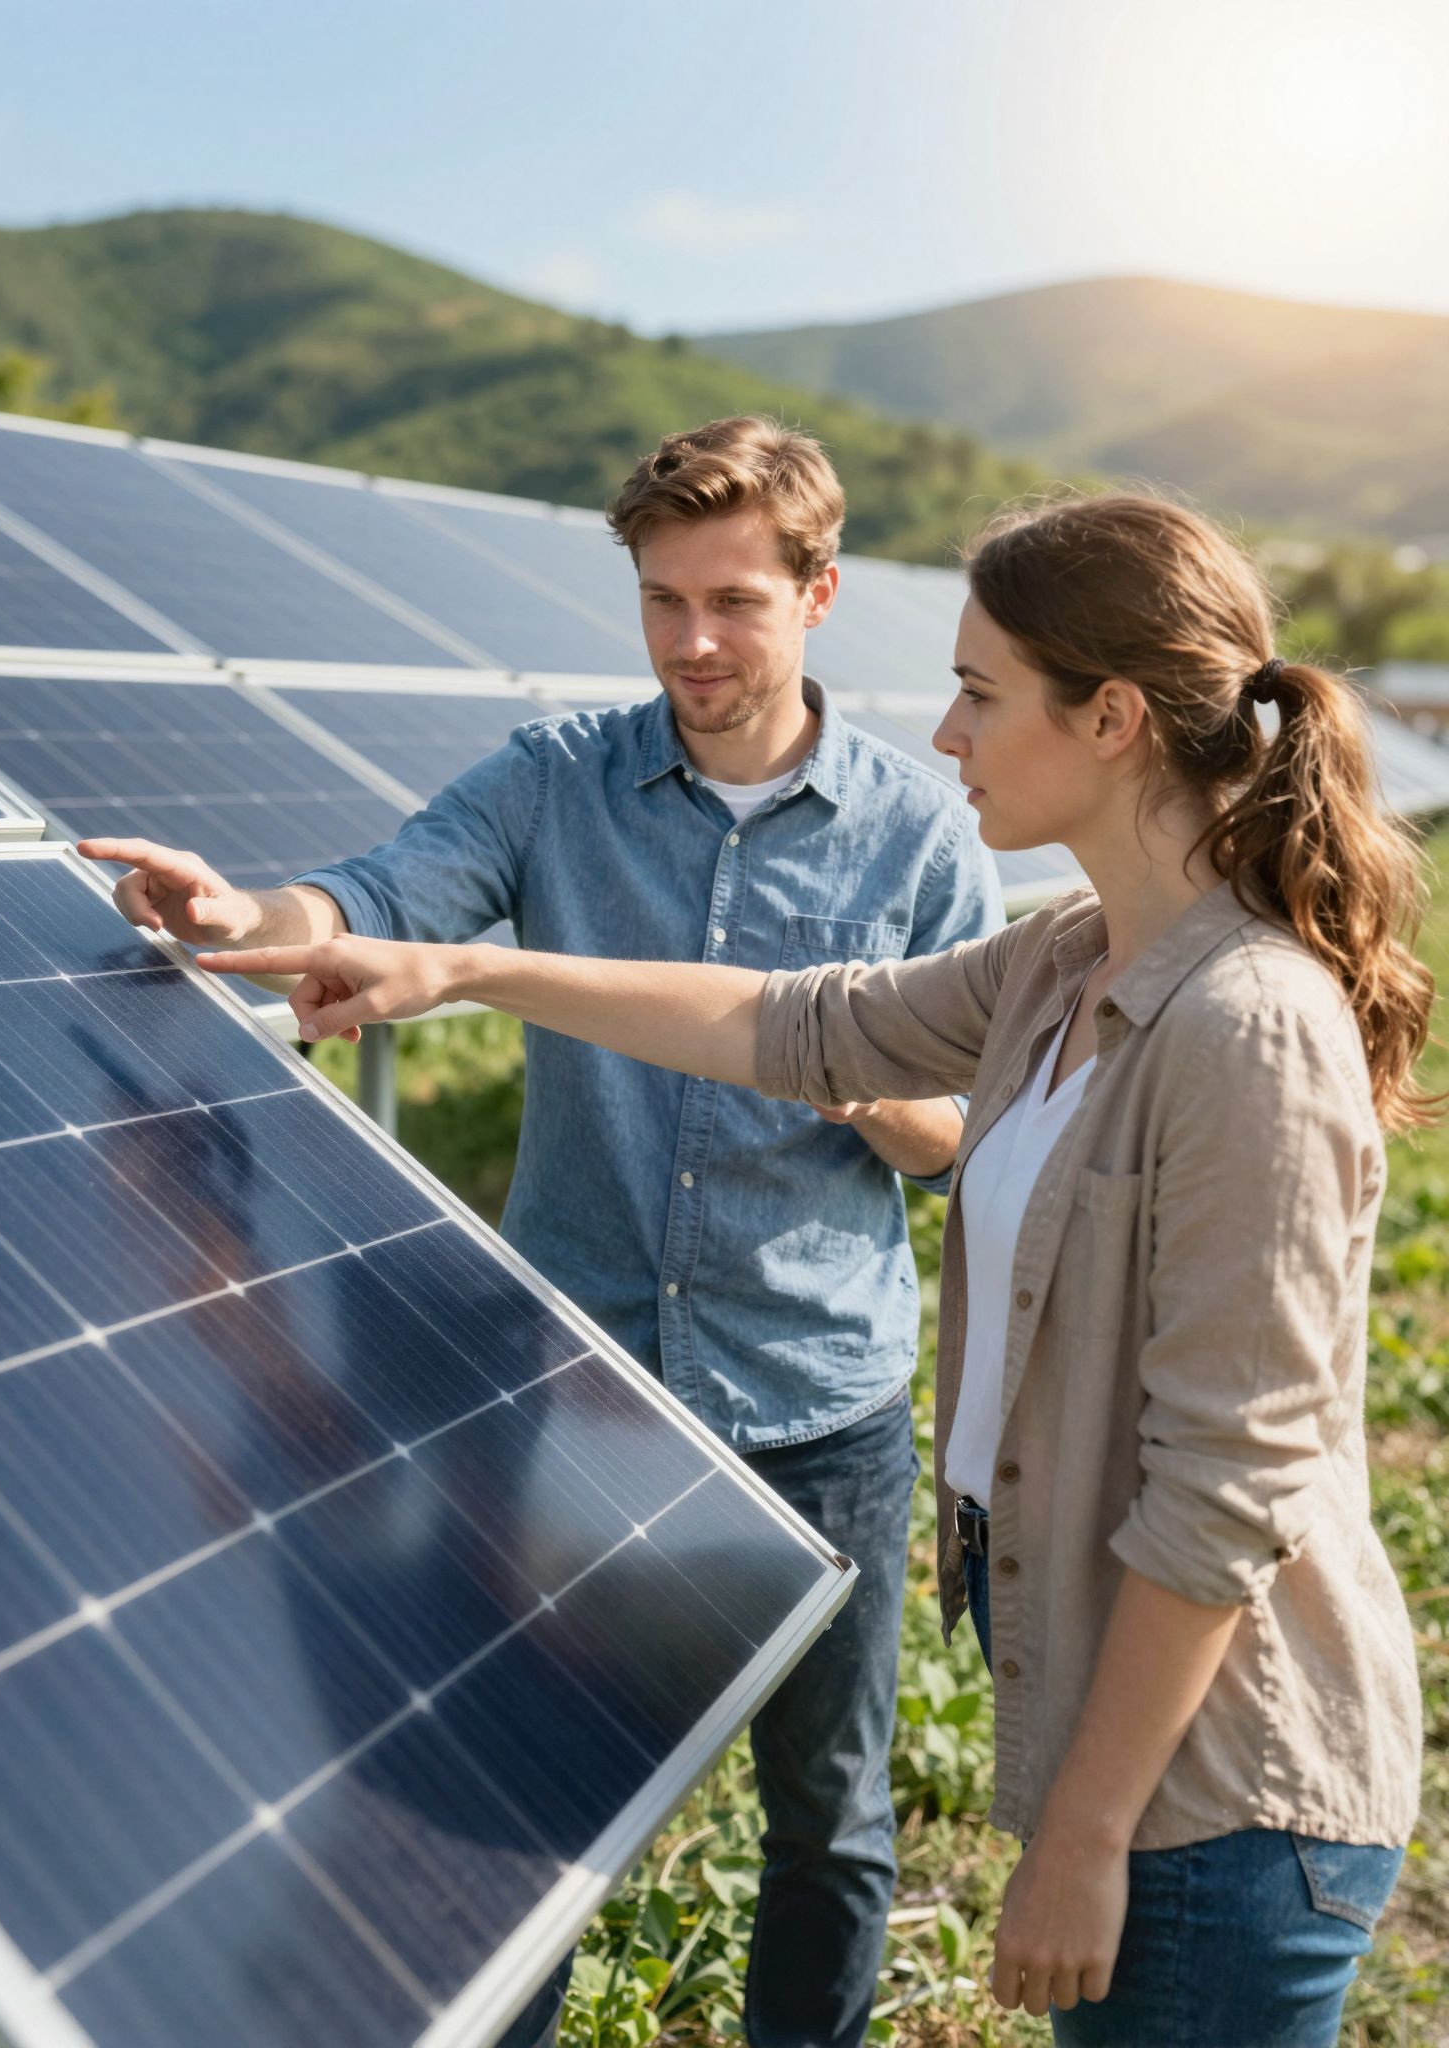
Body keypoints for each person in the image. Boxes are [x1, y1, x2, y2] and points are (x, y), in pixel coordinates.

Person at [210, 491, 1430, 2048]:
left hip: (1221, 1790)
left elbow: (1229, 1482)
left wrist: (1083, 1834)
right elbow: (796, 1024)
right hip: (1140, 1762)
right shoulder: (1066, 960)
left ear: (1113, 717)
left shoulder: (1245, 1024)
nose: (945, 729)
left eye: (984, 692)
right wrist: (455, 968)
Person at [82, 414, 1004, 2048]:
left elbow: (956, 1142)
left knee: (835, 1822)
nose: (695, 642)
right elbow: (381, 893)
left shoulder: (920, 837)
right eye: (663, 601)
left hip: (817, 1402)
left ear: (821, 594)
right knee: (527, 1803)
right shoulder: (555, 782)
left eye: (734, 599)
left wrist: (829, 1055)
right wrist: (243, 915)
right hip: (577, 1390)